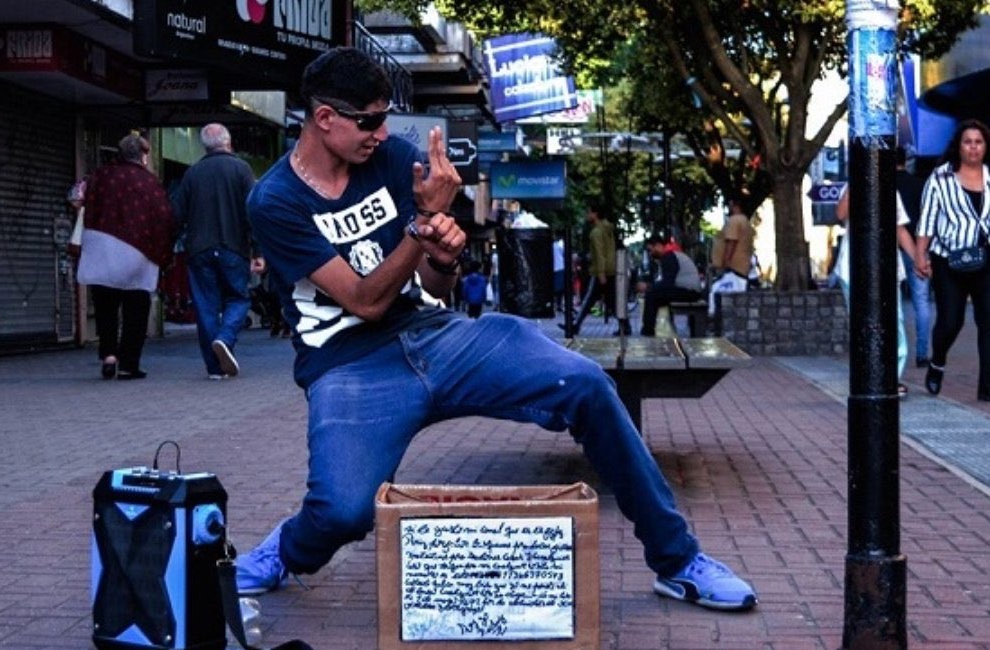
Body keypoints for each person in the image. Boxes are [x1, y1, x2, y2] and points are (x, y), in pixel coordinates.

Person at [235, 47, 757, 612]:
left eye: (385, 118)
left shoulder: (394, 162)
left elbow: (433, 285)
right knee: (342, 512)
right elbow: (365, 301)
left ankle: (678, 561)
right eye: (369, 121)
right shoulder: (275, 200)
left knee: (586, 384)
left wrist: (444, 252)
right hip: (349, 364)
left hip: (435, 333)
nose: (382, 133)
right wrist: (421, 224)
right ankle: (287, 550)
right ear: (324, 117)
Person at [77, 133, 175, 380]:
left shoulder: (100, 175)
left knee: (105, 306)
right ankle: (128, 364)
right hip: (138, 250)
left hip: (101, 245)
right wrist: (164, 255)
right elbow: (163, 218)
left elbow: (80, 200)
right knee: (136, 309)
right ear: (143, 156)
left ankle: (109, 355)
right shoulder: (150, 183)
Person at [172, 123, 265, 380]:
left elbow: (176, 214)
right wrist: (258, 250)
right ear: (229, 142)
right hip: (234, 248)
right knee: (238, 298)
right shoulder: (241, 169)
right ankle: (225, 338)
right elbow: (253, 212)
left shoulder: (192, 173)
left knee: (206, 307)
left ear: (204, 146)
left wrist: (170, 247)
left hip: (199, 251)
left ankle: (215, 368)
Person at [915, 119, 990, 401]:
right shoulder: (941, 178)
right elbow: (927, 220)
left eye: (978, 142)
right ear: (958, 146)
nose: (973, 147)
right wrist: (920, 255)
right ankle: (937, 363)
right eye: (967, 142)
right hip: (948, 259)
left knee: (988, 321)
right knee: (950, 320)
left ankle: (987, 386)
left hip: (985, 259)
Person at [834, 185, 919, 397]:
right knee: (861, 326)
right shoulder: (851, 186)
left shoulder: (891, 190)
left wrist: (918, 258)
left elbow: (900, 229)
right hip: (853, 269)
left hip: (887, 268)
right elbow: (841, 214)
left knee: (895, 322)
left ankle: (892, 378)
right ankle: (866, 376)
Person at [896, 146, 932, 368]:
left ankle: (897, 350)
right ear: (905, 161)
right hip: (918, 248)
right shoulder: (920, 185)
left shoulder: (884, 185)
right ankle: (921, 353)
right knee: (921, 301)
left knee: (894, 302)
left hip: (892, 249)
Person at [638, 235, 704, 337]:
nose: (651, 254)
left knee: (651, 295)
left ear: (658, 245)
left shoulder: (669, 256)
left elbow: (667, 283)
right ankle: (651, 329)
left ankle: (648, 332)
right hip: (689, 290)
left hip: (689, 291)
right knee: (653, 294)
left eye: (650, 250)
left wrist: (648, 286)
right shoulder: (672, 254)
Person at [569, 203, 620, 333]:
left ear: (595, 214)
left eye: (589, 212)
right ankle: (625, 325)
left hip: (600, 272)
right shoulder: (609, 230)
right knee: (611, 300)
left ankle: (575, 325)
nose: (587, 215)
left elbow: (599, 253)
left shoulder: (596, 232)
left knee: (589, 299)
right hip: (611, 268)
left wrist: (601, 273)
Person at [708, 198, 755, 316]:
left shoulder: (734, 221)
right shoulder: (745, 221)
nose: (728, 207)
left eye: (729, 204)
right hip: (742, 267)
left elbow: (731, 242)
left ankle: (714, 318)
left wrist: (726, 261)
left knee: (717, 294)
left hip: (733, 268)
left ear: (735, 205)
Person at [552, 234, 566, 312]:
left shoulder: (554, 246)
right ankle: (559, 304)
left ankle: (557, 304)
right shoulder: (559, 246)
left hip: (555, 268)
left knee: (556, 288)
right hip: (560, 267)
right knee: (559, 288)